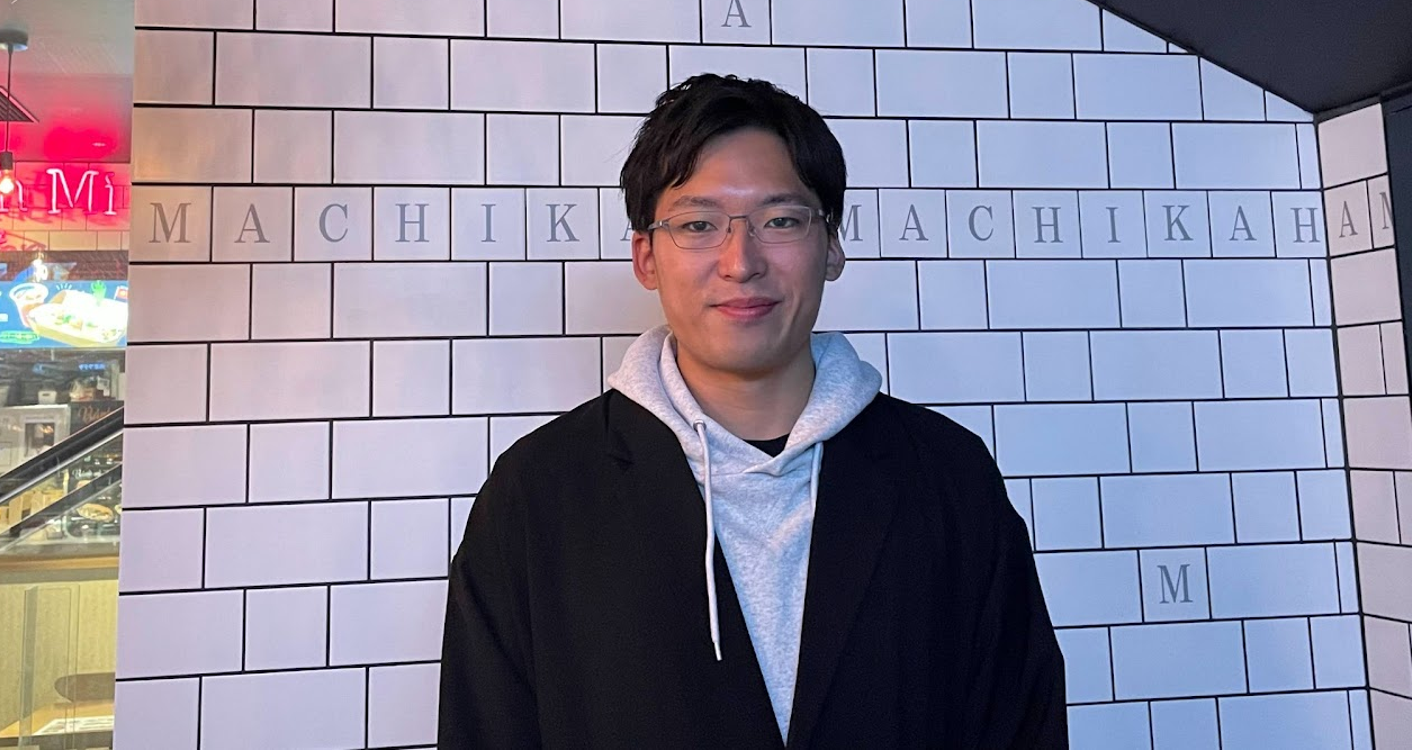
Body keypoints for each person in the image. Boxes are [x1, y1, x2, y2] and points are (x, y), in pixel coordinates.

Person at [439, 73, 1067, 749]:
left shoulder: (948, 476)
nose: (741, 262)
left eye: (781, 221)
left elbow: (1022, 726)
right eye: (698, 224)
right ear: (646, 257)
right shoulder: (538, 494)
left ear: (832, 245)